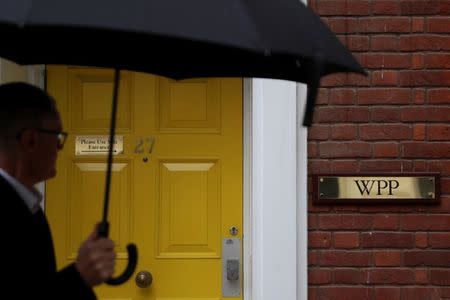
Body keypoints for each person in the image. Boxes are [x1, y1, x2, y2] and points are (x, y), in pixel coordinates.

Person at [0, 82, 116, 299]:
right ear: (30, 140)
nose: (60, 147)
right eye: (58, 136)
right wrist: (80, 275)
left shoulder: (30, 208)